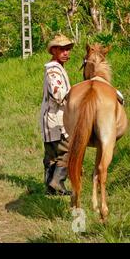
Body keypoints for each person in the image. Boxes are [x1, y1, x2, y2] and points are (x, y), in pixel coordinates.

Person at [40, 34, 74, 196]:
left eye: (68, 49)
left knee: (51, 154)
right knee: (66, 150)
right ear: (53, 50)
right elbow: (58, 94)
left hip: (50, 117)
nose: (66, 52)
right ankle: (57, 183)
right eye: (62, 49)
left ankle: (50, 187)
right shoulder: (53, 70)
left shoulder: (56, 68)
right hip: (56, 118)